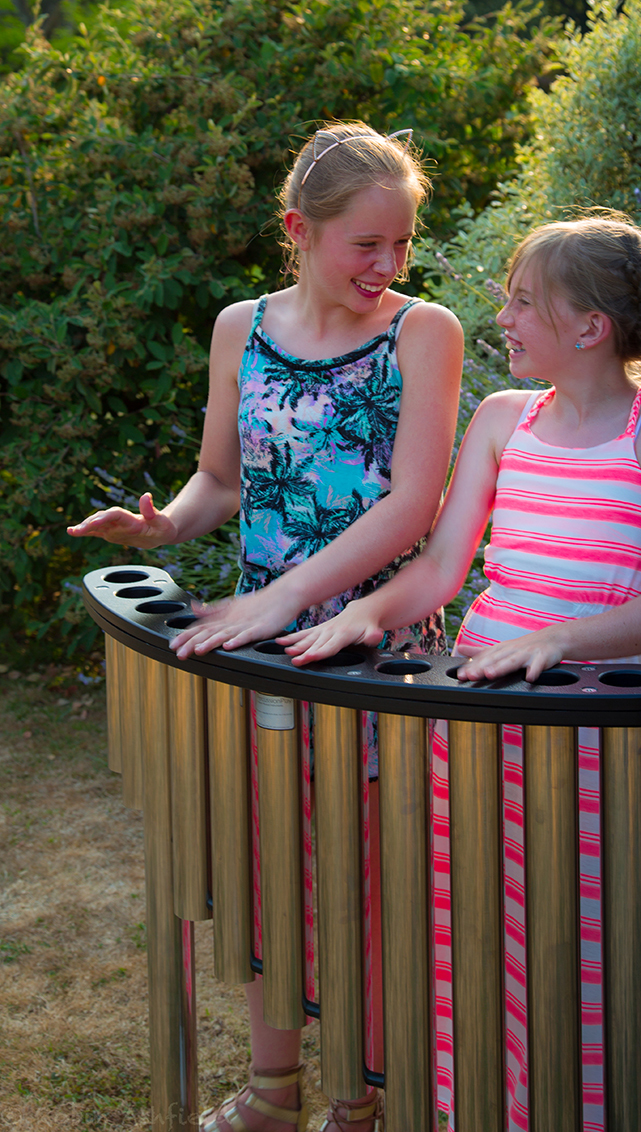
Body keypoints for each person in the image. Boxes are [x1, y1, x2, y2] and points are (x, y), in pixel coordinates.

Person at [68, 121, 463, 1132]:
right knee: (269, 873)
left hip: (378, 650)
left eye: (401, 245)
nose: (387, 265)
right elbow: (221, 479)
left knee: (373, 882)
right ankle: (274, 1089)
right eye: (365, 244)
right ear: (300, 228)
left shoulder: (424, 333)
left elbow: (414, 506)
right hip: (258, 653)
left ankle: (364, 1095)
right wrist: (166, 524)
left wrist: (290, 598)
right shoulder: (239, 326)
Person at [280, 215, 641, 1130]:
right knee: (465, 937)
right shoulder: (501, 417)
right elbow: (443, 567)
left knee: (574, 954)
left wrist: (560, 641)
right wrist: (364, 612)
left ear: (589, 326)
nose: (503, 318)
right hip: (470, 720)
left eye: (523, 302)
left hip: (592, 738)